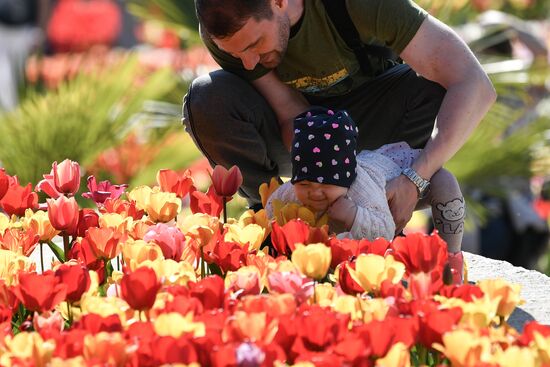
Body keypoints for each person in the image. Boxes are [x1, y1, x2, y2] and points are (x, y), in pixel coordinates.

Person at [184, 0, 496, 235]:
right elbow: (289, 112)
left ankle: (381, 205)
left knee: (433, 87)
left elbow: (475, 84)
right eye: (238, 55)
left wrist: (415, 177)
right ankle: (273, 222)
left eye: (254, 45)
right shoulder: (226, 30)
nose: (250, 64)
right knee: (208, 97)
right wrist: (312, 191)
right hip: (304, 135)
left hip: (376, 134)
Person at [265, 107, 465, 283]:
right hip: (369, 196)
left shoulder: (362, 190)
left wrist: (353, 214)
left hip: (401, 180)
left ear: (347, 179)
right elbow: (271, 207)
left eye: (327, 184)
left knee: (445, 183)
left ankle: (451, 258)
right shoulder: (292, 191)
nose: (315, 192)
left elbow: (385, 229)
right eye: (304, 183)